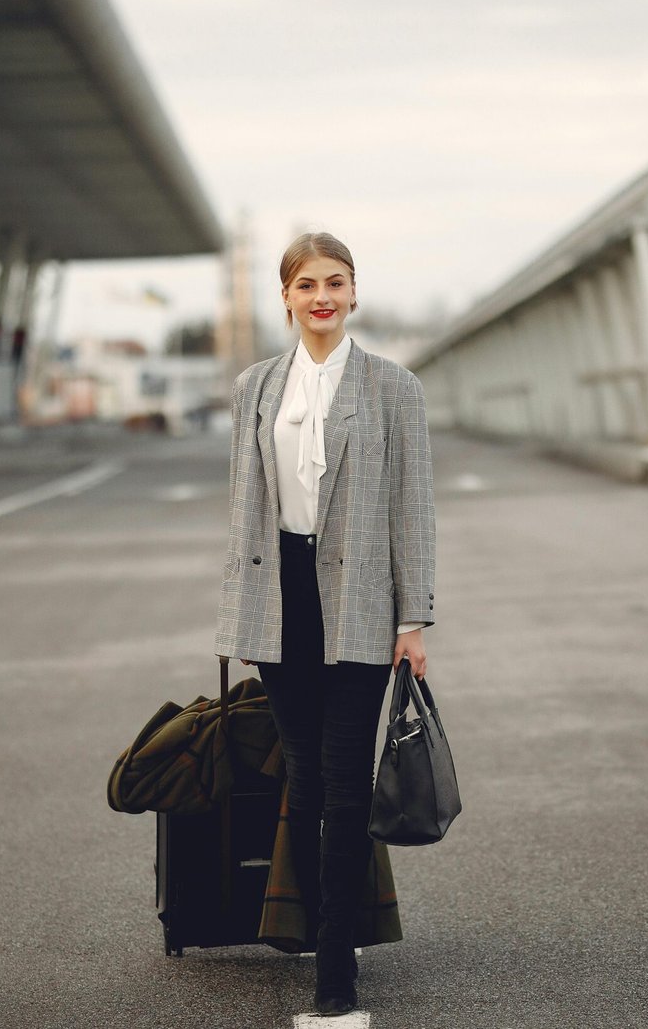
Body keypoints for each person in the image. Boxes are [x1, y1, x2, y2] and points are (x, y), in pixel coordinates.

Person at [215, 232, 435, 1017]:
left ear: (353, 294)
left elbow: (412, 509)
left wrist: (415, 619)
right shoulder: (257, 387)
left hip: (361, 606)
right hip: (281, 603)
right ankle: (314, 927)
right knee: (303, 780)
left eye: (335, 283)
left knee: (345, 787)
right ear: (285, 296)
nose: (322, 297)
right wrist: (234, 616)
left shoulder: (393, 387)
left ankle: (335, 976)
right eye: (307, 284)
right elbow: (246, 509)